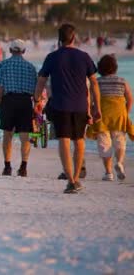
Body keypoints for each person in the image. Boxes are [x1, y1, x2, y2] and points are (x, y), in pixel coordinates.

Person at [35, 23, 101, 194]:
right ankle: (76, 178)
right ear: (74, 37)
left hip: (59, 105)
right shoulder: (84, 56)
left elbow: (41, 79)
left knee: (63, 139)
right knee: (79, 141)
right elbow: (94, 83)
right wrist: (96, 107)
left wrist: (36, 98)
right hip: (80, 105)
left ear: (59, 39)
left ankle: (70, 179)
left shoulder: (52, 57)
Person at [0, 39, 38, 177]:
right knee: (25, 135)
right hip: (25, 101)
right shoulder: (30, 67)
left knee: (7, 134)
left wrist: (1, 100)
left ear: (10, 50)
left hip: (9, 100)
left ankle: (7, 167)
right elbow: (35, 89)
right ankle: (23, 167)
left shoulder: (3, 65)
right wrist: (35, 103)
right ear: (23, 51)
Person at [86, 55, 133, 181]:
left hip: (102, 116)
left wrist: (90, 112)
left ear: (100, 68)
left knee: (104, 144)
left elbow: (90, 99)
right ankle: (120, 163)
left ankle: (108, 173)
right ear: (115, 68)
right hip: (119, 116)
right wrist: (125, 113)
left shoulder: (97, 82)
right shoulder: (122, 81)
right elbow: (130, 98)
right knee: (119, 141)